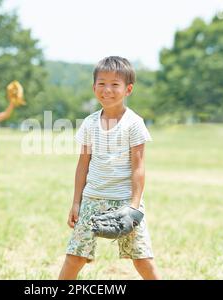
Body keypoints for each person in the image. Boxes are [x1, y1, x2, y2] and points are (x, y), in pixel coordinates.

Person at [58, 56, 161, 279]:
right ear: (94, 87)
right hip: (92, 198)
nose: (107, 89)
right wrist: (76, 202)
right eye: (102, 83)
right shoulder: (89, 123)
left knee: (142, 258)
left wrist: (133, 207)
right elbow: (82, 164)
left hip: (125, 201)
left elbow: (138, 168)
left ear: (128, 89)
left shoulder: (134, 123)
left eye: (115, 84)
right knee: (74, 256)